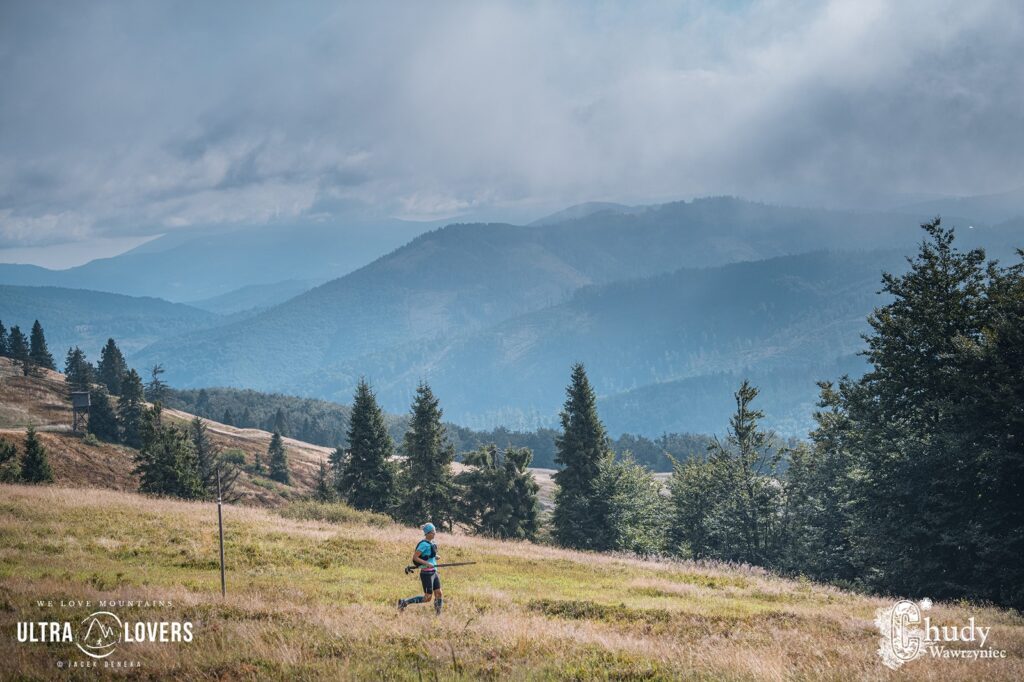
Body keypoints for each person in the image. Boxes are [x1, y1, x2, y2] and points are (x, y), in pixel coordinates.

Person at [397, 522, 443, 615]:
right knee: (427, 598)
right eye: (433, 532)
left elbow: (428, 555)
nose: (435, 533)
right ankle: (404, 602)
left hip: (434, 572)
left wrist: (435, 557)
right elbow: (415, 557)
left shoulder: (432, 543)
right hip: (426, 573)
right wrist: (427, 563)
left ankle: (438, 615)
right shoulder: (423, 544)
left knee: (439, 593)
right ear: (428, 533)